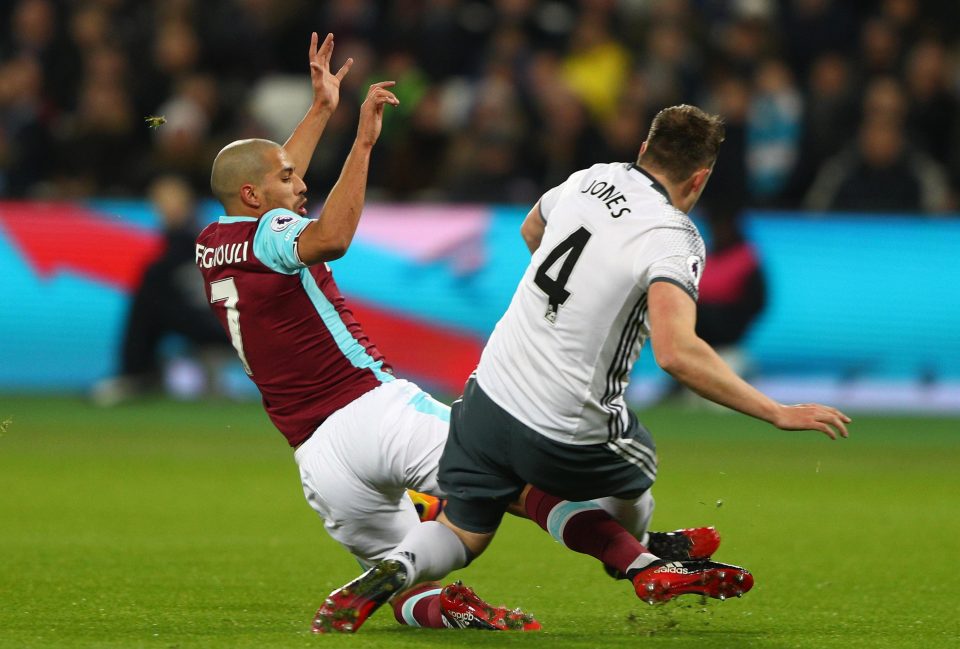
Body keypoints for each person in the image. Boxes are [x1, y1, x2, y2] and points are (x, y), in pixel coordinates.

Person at [316, 105, 851, 630]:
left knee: (462, 531)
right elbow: (677, 353)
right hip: (564, 422)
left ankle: (394, 567)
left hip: (485, 397)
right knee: (638, 471)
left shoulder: (589, 178)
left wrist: (566, 309)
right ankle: (645, 560)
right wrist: (775, 411)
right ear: (699, 179)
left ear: (644, 150)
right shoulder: (674, 236)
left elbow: (532, 231)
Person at [195, 32, 545, 634]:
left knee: (404, 577)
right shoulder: (272, 230)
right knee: (506, 479)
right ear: (257, 196)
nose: (298, 183)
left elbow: (270, 180)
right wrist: (361, 141)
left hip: (316, 460)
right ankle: (640, 555)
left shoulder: (213, 240)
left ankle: (447, 606)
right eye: (287, 178)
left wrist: (321, 109)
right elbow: (329, 237)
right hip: (370, 410)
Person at [92, 174, 230, 406]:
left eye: (170, 200)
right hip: (211, 319)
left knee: (150, 295)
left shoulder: (190, 240)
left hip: (220, 322)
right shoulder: (191, 236)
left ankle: (135, 372)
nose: (165, 208)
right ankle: (138, 370)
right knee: (153, 296)